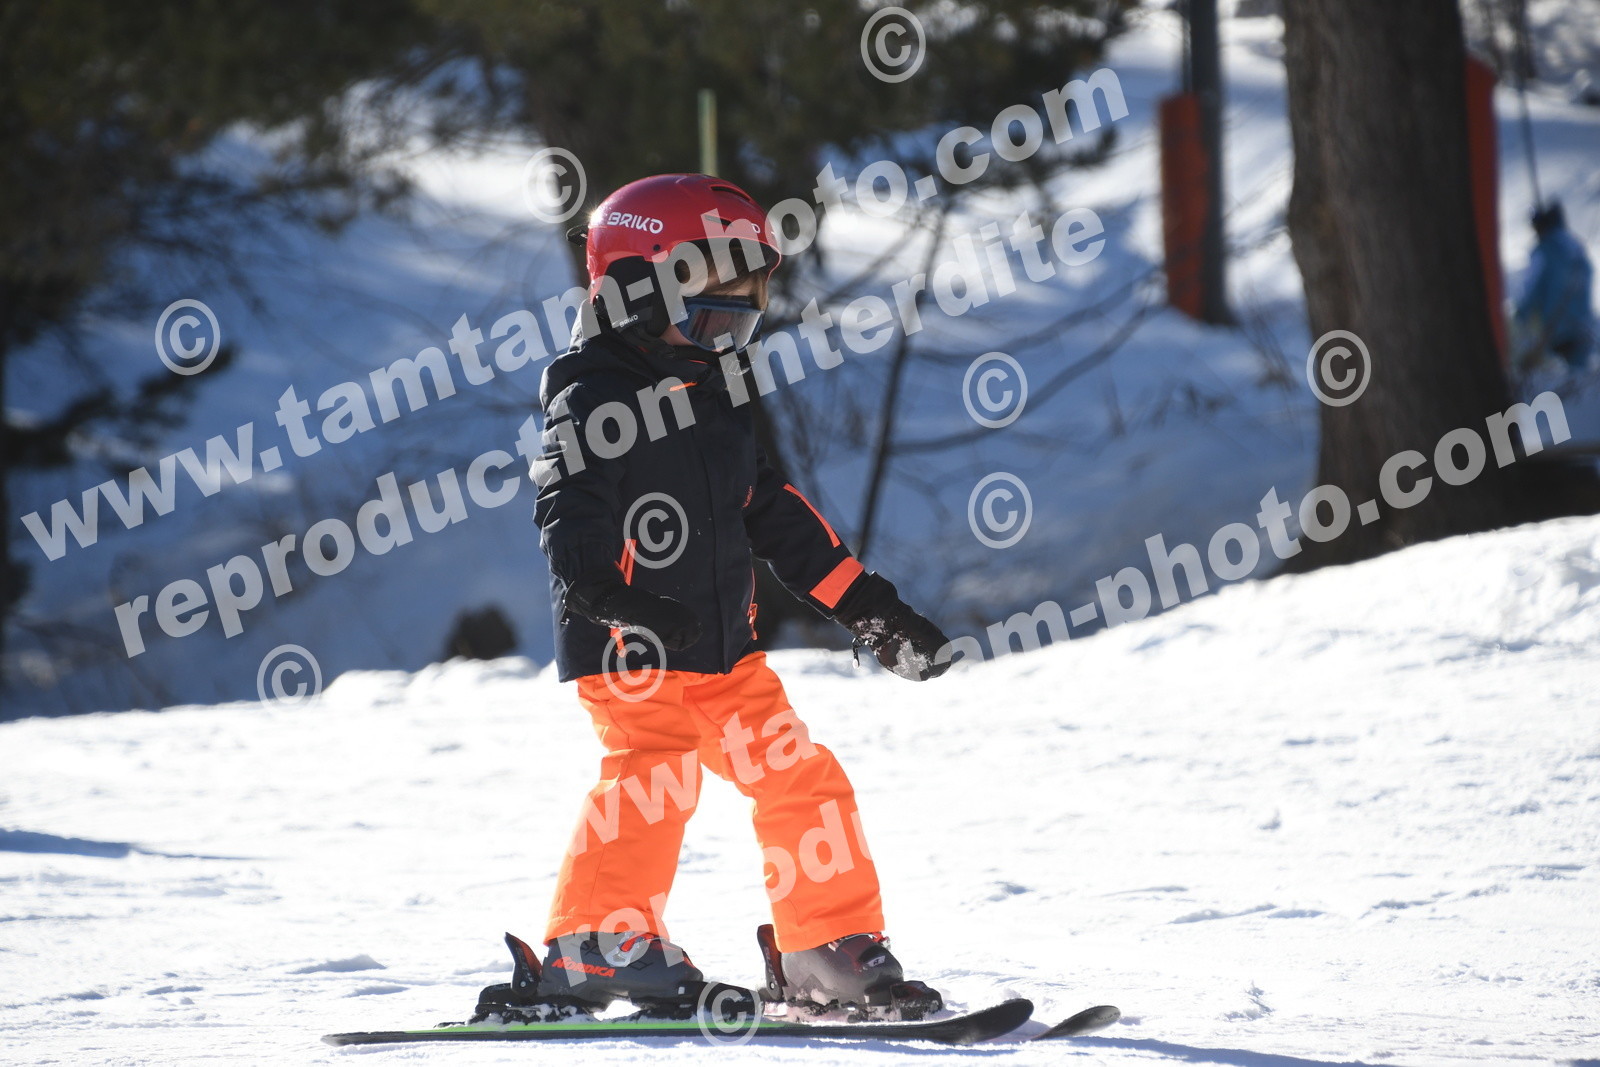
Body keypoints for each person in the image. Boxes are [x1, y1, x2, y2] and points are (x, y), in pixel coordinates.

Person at [509, 173, 952, 1019]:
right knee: (657, 773)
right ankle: (597, 940)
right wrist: (605, 592)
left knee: (802, 778)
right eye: (707, 301)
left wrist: (872, 610)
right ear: (634, 287)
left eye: (743, 304)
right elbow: (568, 502)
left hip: (725, 653)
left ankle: (821, 945)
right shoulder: (590, 392)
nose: (726, 325)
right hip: (632, 646)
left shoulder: (715, 396)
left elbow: (778, 518)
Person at [1513, 201, 1596, 376]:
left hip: (1555, 331)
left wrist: (1520, 316)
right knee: (1578, 377)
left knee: (1551, 379)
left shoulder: (1544, 250)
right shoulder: (1577, 249)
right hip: (1582, 329)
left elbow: (1532, 288)